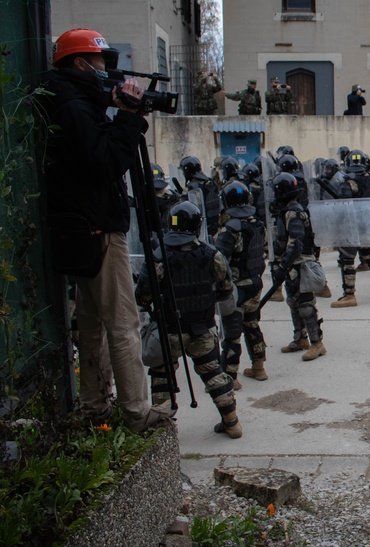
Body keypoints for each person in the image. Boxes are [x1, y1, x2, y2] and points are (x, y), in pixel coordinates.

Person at [40, 27, 174, 432]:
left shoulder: (67, 101)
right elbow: (106, 162)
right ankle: (136, 410)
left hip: (79, 228)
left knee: (93, 321)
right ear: (80, 64)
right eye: (101, 64)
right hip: (97, 229)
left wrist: (117, 112)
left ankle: (95, 403)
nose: (107, 72)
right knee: (122, 322)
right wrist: (130, 120)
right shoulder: (76, 109)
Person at [136, 201, 242, 438]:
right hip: (202, 330)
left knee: (162, 376)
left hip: (168, 331)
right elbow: (226, 291)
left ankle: (161, 432)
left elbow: (143, 296)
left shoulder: (158, 256)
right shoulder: (212, 254)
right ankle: (232, 421)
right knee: (214, 374)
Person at [215, 182, 269, 385]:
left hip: (236, 288)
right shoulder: (257, 223)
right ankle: (259, 367)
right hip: (255, 283)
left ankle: (230, 376)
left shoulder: (230, 229)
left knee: (232, 332)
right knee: (252, 325)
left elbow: (219, 261)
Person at [329, 150, 370, 308]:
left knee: (347, 259)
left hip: (351, 226)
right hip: (367, 223)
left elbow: (342, 206)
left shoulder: (348, 181)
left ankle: (349, 295)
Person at [270, 173, 326, 361]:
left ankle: (317, 343)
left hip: (300, 265)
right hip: (292, 266)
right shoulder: (288, 211)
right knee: (293, 302)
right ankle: (300, 338)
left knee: (305, 305)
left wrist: (283, 266)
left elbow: (296, 244)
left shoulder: (294, 213)